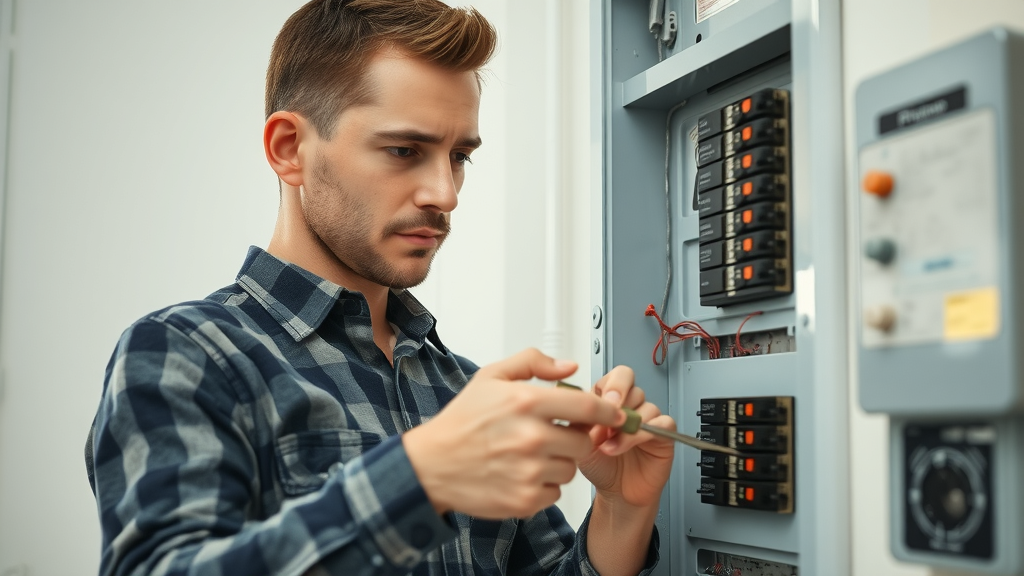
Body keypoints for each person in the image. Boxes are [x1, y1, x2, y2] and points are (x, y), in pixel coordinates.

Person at [86, 1, 676, 574]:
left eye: (459, 156)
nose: (444, 194)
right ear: (289, 149)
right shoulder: (186, 355)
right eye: (403, 150)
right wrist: (423, 476)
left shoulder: (462, 389)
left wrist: (622, 511)